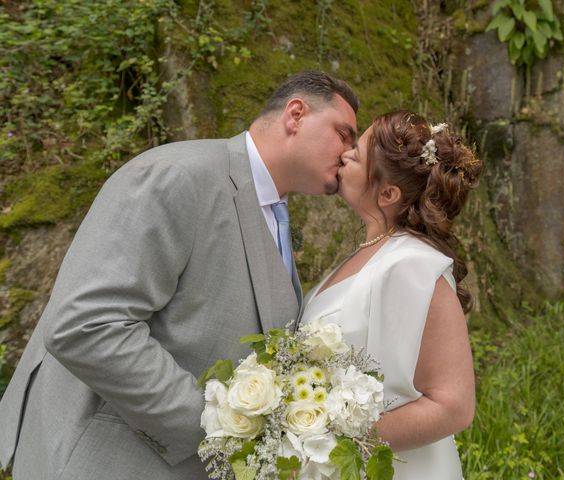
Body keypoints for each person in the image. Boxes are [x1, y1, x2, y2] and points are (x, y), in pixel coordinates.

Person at [0, 71, 358, 480]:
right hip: (106, 460)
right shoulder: (178, 176)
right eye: (344, 135)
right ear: (296, 115)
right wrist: (220, 428)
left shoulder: (274, 212)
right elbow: (88, 325)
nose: (349, 154)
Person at [300, 111, 480, 478]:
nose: (346, 153)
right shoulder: (367, 255)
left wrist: (335, 442)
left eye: (359, 153)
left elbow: (454, 406)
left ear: (388, 193)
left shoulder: (412, 263)